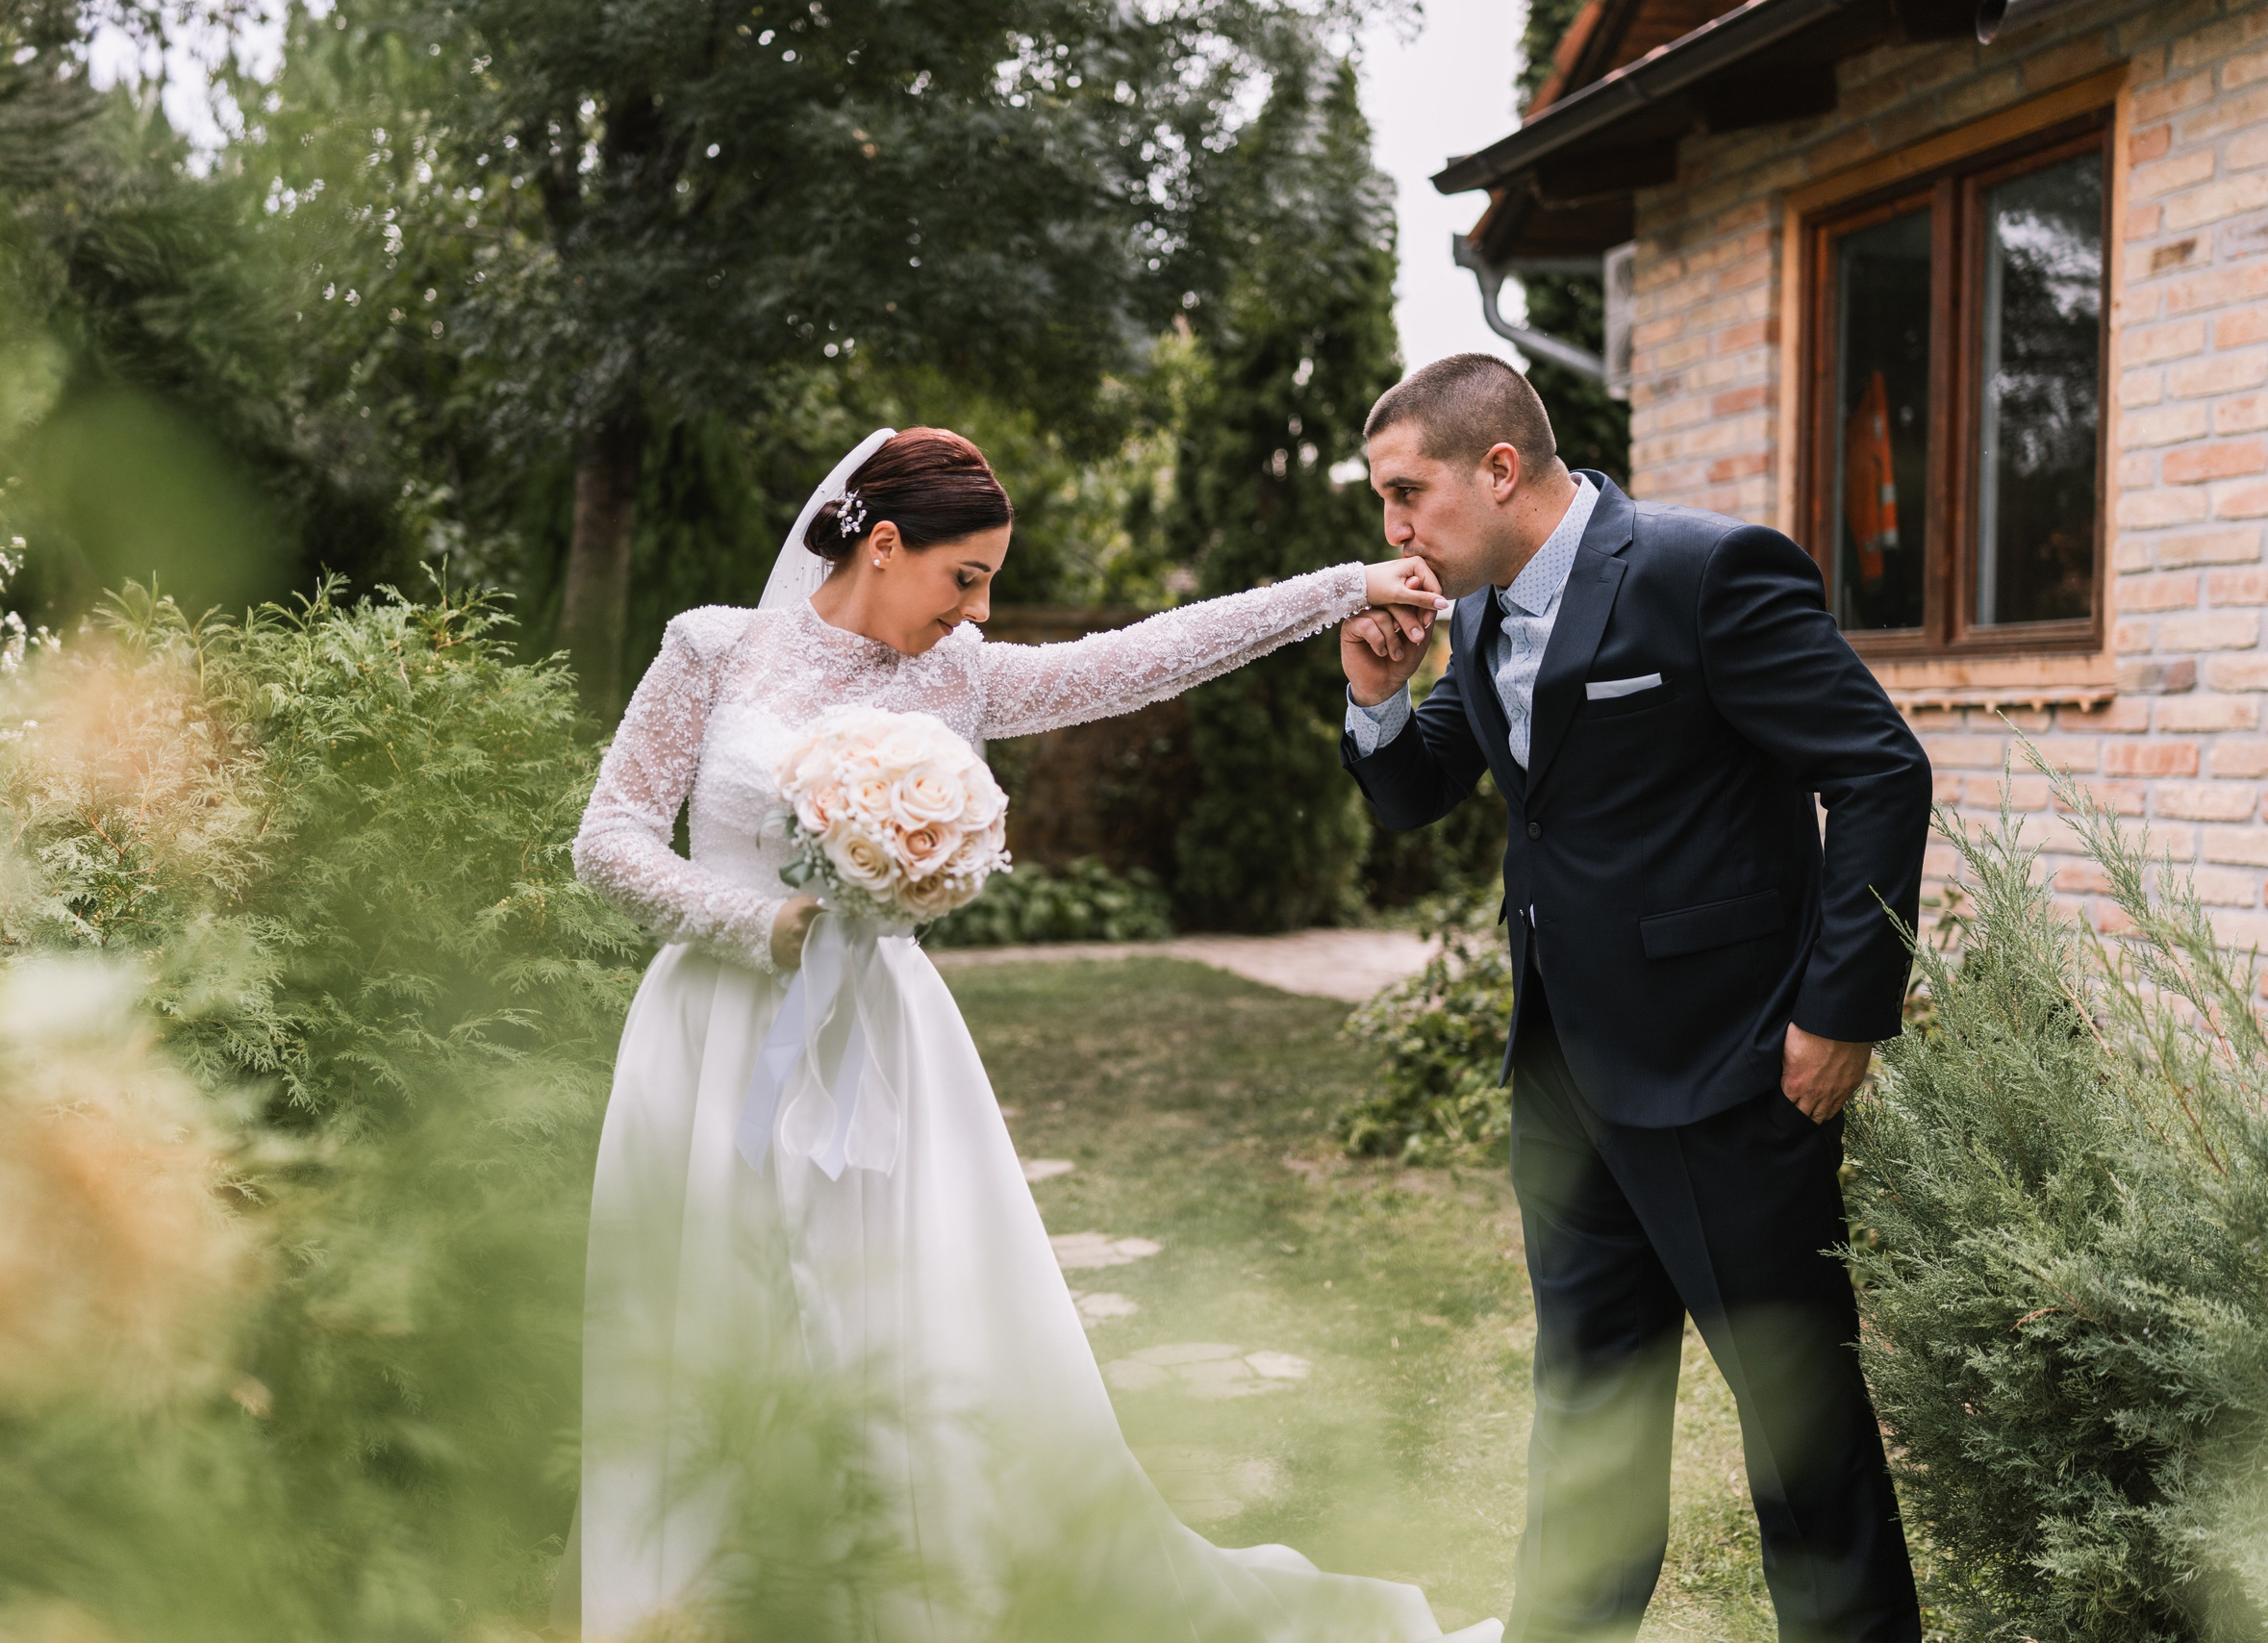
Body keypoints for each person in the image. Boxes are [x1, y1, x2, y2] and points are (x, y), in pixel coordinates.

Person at [567, 424, 1500, 1642]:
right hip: (712, 1038)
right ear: (883, 543)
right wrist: (758, 924)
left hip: (884, 1045)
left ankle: (899, 1586)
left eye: (990, 585)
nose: (978, 610)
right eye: (965, 577)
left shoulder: (959, 677)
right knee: (707, 1313)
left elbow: (1148, 655)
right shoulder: (712, 648)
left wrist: (1342, 587)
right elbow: (609, 837)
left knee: (904, 1324)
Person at [1335, 356, 1931, 1643]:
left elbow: (1880, 771)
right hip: (1565, 1084)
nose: (1392, 528)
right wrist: (1378, 700)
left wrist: (1840, 1015)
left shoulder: (1705, 573)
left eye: (1407, 491)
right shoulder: (1481, 611)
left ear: (1500, 469)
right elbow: (1423, 787)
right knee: (1585, 1422)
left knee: (1801, 1442)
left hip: (1729, 1077)